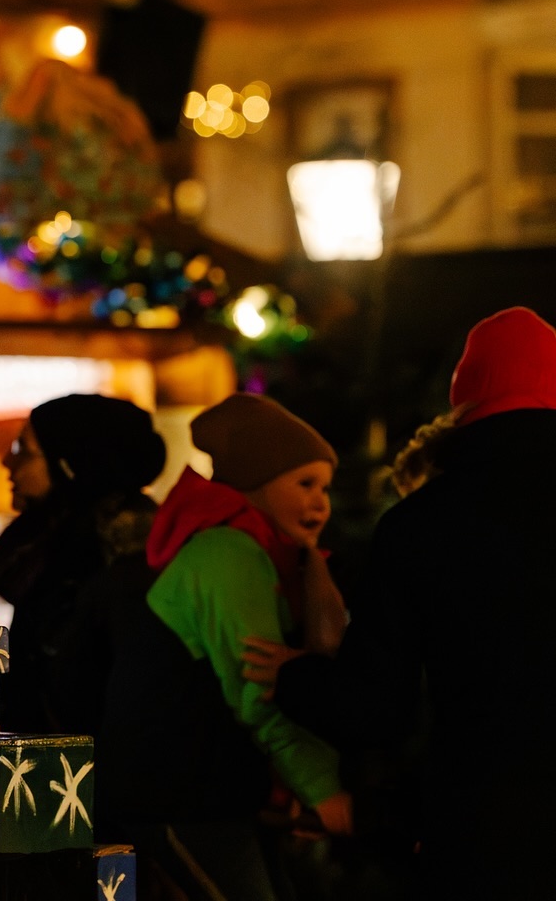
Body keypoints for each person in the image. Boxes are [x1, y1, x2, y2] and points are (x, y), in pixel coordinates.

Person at [258, 307, 556, 900]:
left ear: (464, 404)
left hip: (487, 838)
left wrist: (295, 676)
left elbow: (374, 709)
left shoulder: (421, 526)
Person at [116, 393, 352, 901]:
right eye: (304, 483)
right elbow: (258, 688)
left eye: (326, 487)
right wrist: (327, 792)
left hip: (215, 794)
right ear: (257, 485)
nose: (320, 502)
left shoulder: (270, 556)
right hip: (180, 797)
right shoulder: (229, 553)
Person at [0, 393, 167, 734]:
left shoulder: (112, 565)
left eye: (24, 450)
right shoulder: (54, 549)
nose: (7, 460)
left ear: (69, 466)